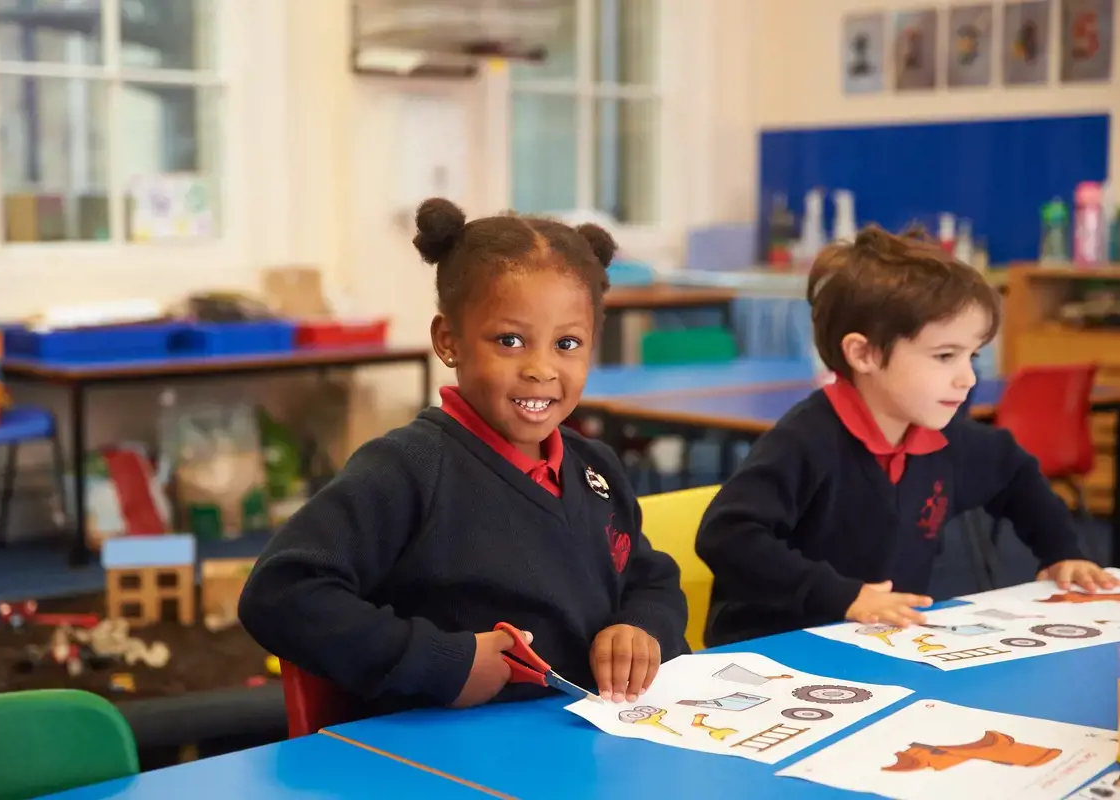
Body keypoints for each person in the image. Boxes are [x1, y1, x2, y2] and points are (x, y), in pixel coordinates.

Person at [238, 198, 689, 720]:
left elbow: (649, 575)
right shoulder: (408, 468)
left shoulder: (597, 469)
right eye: (510, 340)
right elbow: (281, 593)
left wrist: (640, 625)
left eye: (567, 343)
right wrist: (441, 662)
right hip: (448, 760)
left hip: (585, 743)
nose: (541, 369)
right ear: (448, 340)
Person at [695, 225, 1117, 647]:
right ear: (864, 354)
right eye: (944, 356)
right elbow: (727, 535)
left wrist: (1063, 552)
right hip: (774, 652)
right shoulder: (807, 440)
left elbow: (1014, 473)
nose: (967, 378)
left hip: (878, 643)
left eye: (972, 356)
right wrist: (846, 596)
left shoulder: (947, 438)